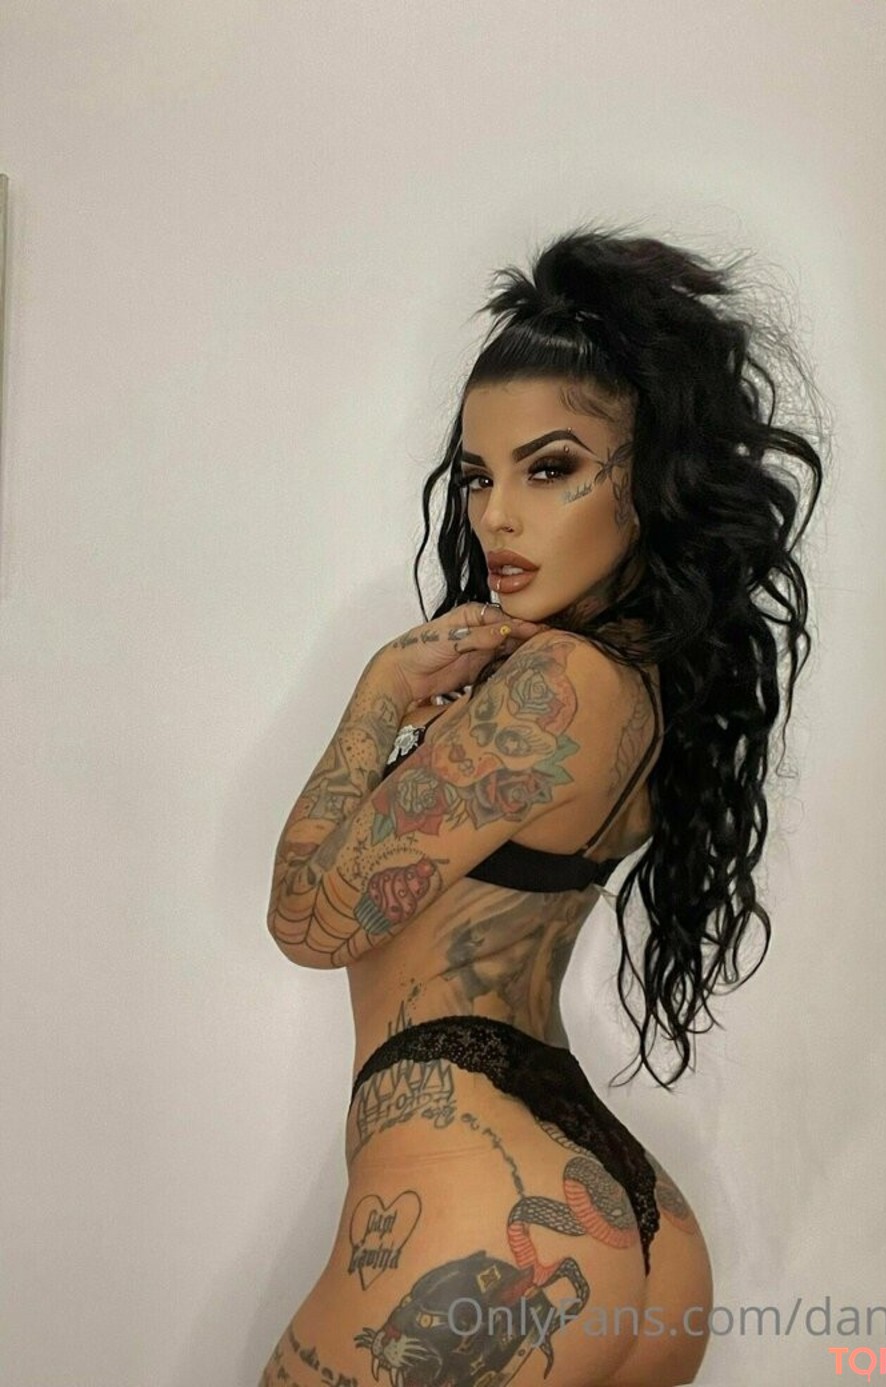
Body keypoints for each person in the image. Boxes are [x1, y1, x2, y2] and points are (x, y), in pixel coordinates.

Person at [260, 223, 824, 1387]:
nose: (498, 516)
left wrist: (377, 696)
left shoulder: (558, 684)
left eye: (552, 468)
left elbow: (311, 920)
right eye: (479, 475)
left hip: (481, 1215)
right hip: (621, 1226)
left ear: (652, 477)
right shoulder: (641, 684)